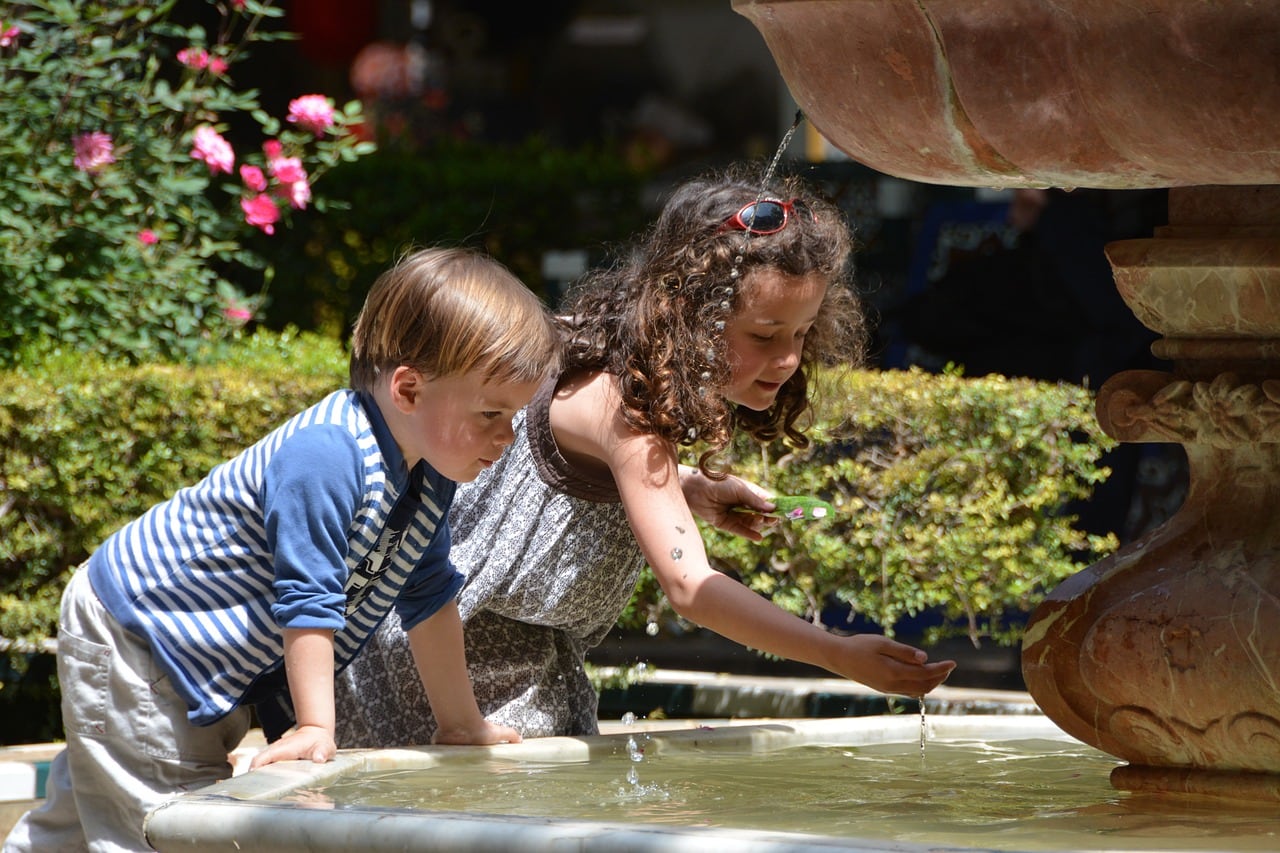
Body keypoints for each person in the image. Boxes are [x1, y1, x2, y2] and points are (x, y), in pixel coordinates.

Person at [334, 167, 957, 748]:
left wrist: (686, 488)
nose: (790, 358)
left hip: (495, 664)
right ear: (690, 317)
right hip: (438, 672)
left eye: (801, 333)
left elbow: (553, 475)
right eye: (764, 335)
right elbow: (691, 587)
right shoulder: (625, 410)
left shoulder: (614, 361)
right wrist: (835, 652)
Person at [3, 247, 561, 853]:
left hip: (192, 654)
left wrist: (461, 724)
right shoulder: (327, 455)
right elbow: (308, 597)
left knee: (80, 823)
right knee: (174, 826)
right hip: (144, 638)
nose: (507, 437)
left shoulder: (429, 476)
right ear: (407, 389)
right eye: (490, 413)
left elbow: (428, 598)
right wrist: (316, 725)